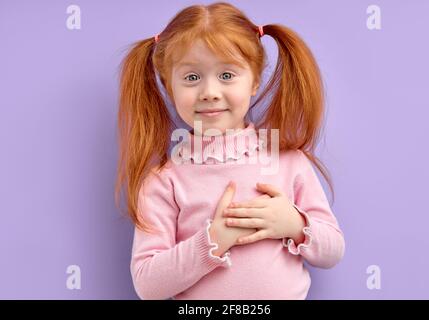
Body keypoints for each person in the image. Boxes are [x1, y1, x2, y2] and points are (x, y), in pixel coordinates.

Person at [115, 2, 345, 300]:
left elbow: (333, 251)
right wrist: (213, 240)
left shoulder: (287, 160)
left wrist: (295, 225)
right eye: (191, 77)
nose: (209, 91)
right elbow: (148, 286)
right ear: (169, 87)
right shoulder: (164, 181)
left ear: (255, 81)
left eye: (227, 75)